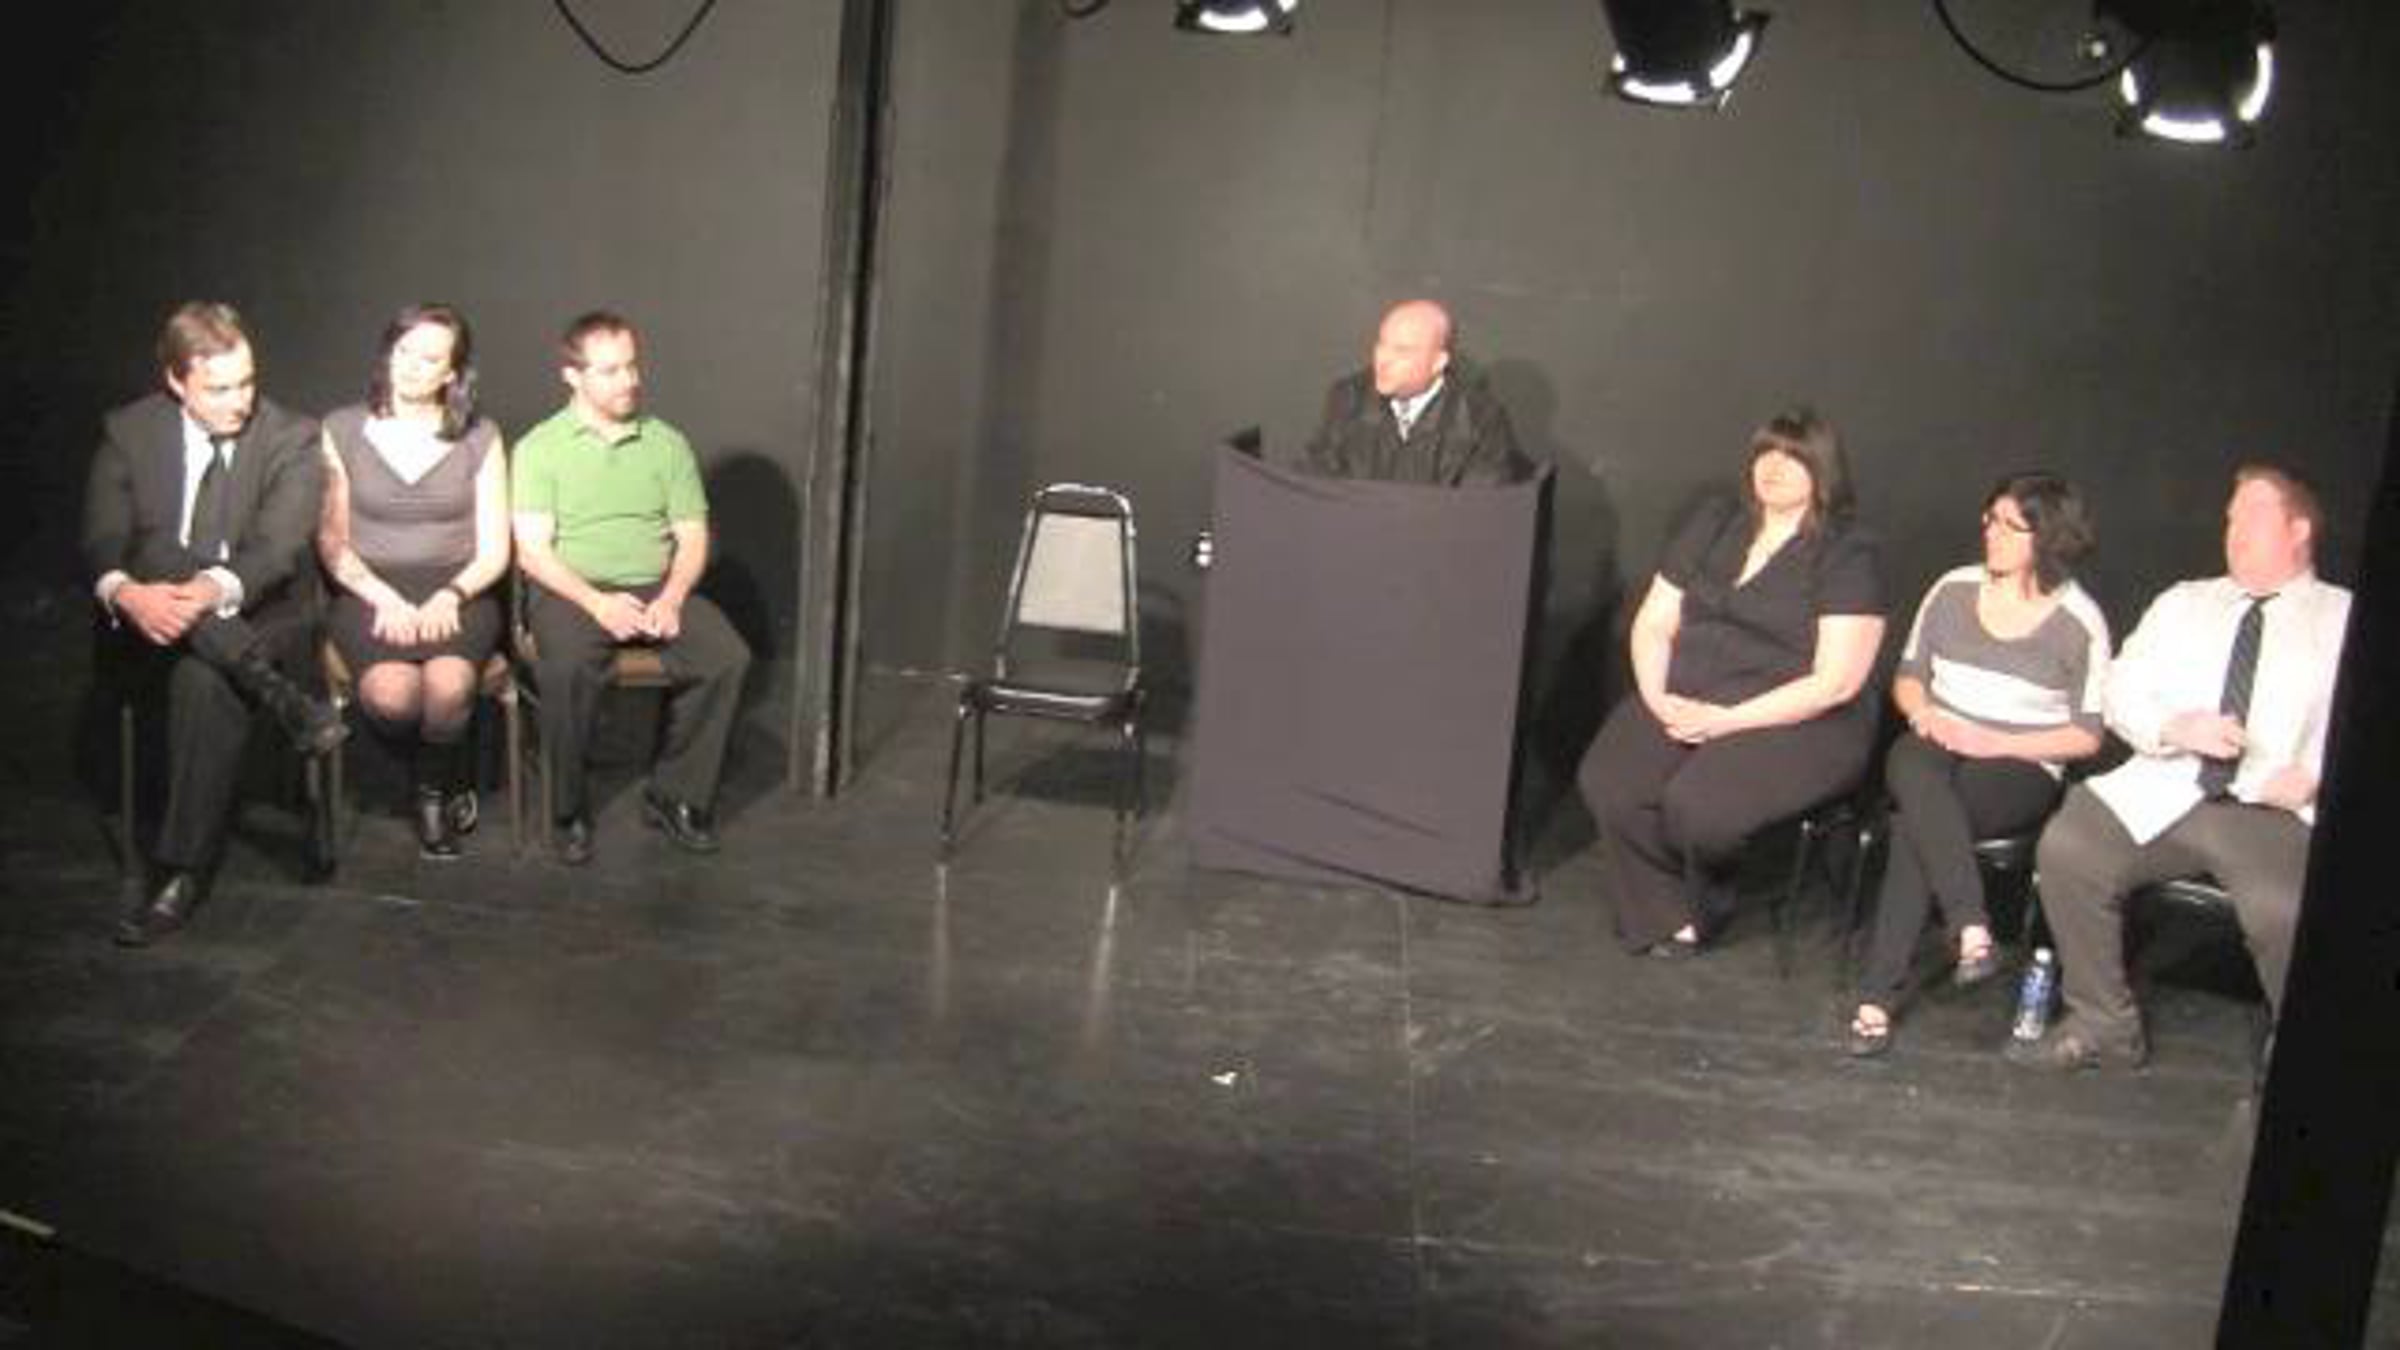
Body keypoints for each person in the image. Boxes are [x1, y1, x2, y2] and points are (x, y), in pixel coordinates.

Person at [2013, 465, 2350, 1071]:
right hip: (2169, 786)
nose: (2233, 531)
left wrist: (2317, 772)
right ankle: (2104, 1023)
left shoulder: (2342, 619)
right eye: (2230, 518)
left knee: (2287, 913)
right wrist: (2174, 727)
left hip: (2269, 810)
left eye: (2252, 517)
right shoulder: (2186, 603)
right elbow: (2119, 688)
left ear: (2299, 529)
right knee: (2070, 848)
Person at [82, 301, 344, 947]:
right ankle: (287, 703)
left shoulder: (292, 436)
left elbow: (276, 550)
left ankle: (179, 871)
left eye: (246, 382)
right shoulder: (129, 431)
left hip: (259, 614)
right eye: (218, 388)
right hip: (148, 619)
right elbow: (102, 540)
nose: (239, 401)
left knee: (203, 676)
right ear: (177, 381)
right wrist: (128, 595)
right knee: (153, 551)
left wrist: (202, 592)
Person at [1579, 409, 1886, 956]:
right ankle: (1666, 910)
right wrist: (1657, 697)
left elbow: (1835, 682)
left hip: (1798, 715)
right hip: (1692, 689)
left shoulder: (1846, 550)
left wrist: (1727, 722)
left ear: (1823, 471)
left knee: (1700, 808)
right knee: (1612, 782)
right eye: (1766, 453)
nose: (1774, 467)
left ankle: (1708, 900)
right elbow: (1655, 621)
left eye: (1793, 458)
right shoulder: (1717, 521)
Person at [1846, 474, 2110, 1057]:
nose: (1992, 533)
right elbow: (1909, 677)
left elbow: (2087, 735)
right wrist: (1924, 715)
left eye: (2011, 526)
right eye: (1990, 520)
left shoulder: (2079, 621)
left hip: (2019, 761)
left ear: (2047, 537)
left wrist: (1993, 741)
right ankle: (1970, 927)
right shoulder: (1953, 589)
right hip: (1938, 739)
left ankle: (1877, 995)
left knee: (1915, 825)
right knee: (1909, 760)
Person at [511, 311, 750, 865]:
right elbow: (534, 552)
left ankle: (676, 795)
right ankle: (568, 809)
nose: (629, 381)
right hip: (572, 589)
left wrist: (671, 596)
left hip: (655, 584)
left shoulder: (666, 443)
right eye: (611, 370)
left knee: (726, 657)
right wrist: (596, 602)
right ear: (573, 376)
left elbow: (692, 536)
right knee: (569, 667)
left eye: (632, 366)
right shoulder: (540, 448)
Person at [317, 304, 510, 860]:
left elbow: (495, 548)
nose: (410, 367)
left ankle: (433, 794)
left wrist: (453, 594)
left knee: (448, 687)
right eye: (403, 352)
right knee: (394, 696)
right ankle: (439, 771)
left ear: (452, 372)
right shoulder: (342, 428)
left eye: (429, 358)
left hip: (460, 590)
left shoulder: (480, 435)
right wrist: (384, 598)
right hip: (369, 591)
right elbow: (332, 541)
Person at [1293, 299, 1534, 486]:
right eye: (1381, 344)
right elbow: (1318, 480)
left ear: (1438, 362)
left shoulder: (1481, 418)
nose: (1383, 359)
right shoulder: (1349, 398)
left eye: (1402, 351)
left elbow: (1478, 507)